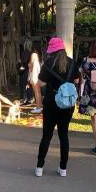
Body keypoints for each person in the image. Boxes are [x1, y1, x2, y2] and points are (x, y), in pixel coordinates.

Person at [35, 37, 78, 178]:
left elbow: (40, 84)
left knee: (46, 136)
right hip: (67, 105)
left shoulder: (47, 64)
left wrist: (39, 102)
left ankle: (39, 167)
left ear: (51, 51)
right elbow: (77, 80)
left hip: (51, 104)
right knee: (63, 135)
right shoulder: (72, 63)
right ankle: (63, 168)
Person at [28, 46, 43, 113]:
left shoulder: (35, 63)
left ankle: (38, 107)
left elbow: (34, 72)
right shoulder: (36, 63)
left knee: (37, 93)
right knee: (38, 93)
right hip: (37, 79)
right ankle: (39, 106)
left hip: (35, 79)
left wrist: (32, 80)